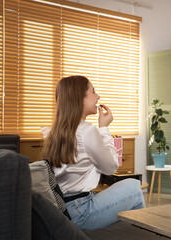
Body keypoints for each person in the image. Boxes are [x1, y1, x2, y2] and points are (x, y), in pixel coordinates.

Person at [41, 75, 145, 230]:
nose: (98, 97)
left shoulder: (51, 132)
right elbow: (111, 168)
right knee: (134, 187)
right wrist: (104, 128)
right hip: (81, 211)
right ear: (79, 98)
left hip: (63, 209)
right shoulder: (86, 130)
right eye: (93, 92)